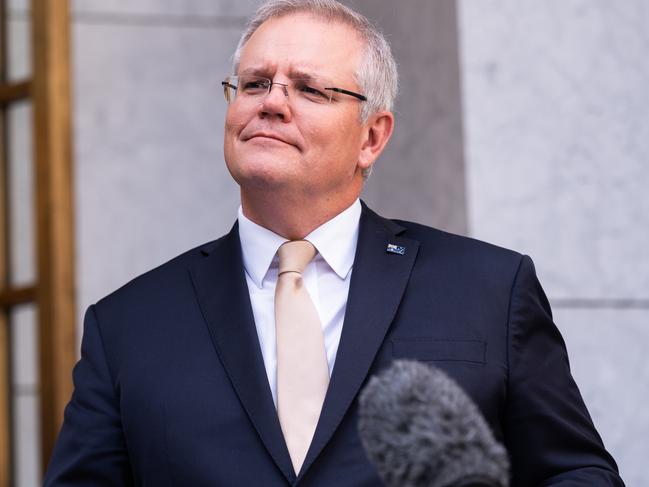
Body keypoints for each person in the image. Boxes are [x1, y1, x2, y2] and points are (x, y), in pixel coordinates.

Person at [44, 1, 624, 485]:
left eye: (309, 89)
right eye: (254, 83)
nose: (271, 101)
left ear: (372, 136)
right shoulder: (128, 325)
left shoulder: (488, 290)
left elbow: (575, 474)